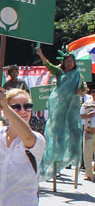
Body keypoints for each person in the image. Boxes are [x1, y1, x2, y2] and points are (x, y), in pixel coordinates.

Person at [36, 47, 84, 179]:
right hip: (59, 109)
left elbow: (82, 90)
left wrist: (80, 91)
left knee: (74, 132)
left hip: (72, 110)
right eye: (67, 60)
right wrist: (40, 53)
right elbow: (48, 65)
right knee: (57, 133)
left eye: (71, 61)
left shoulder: (78, 76)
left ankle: (72, 156)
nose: (69, 63)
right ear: (63, 62)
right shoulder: (59, 72)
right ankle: (54, 158)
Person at [81, 89, 95, 181]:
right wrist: (88, 116)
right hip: (90, 131)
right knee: (88, 153)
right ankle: (89, 174)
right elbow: (81, 115)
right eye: (93, 92)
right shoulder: (87, 104)